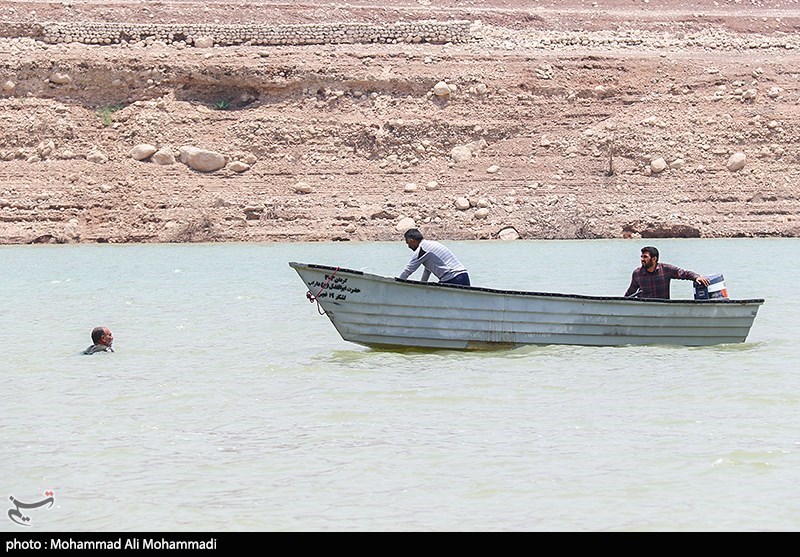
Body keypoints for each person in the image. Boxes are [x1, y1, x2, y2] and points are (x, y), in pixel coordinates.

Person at [624, 246, 709, 299]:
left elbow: (684, 273)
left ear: (654, 259)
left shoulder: (666, 269)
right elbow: (630, 292)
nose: (642, 259)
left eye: (645, 257)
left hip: (663, 308)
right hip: (645, 309)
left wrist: (696, 277)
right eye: (641, 257)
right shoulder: (637, 273)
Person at [398, 228, 471, 286]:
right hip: (463, 276)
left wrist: (397, 285)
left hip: (453, 279)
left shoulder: (421, 250)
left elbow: (408, 271)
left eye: (408, 243)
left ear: (412, 241)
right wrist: (422, 286)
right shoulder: (430, 244)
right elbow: (427, 271)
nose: (408, 246)